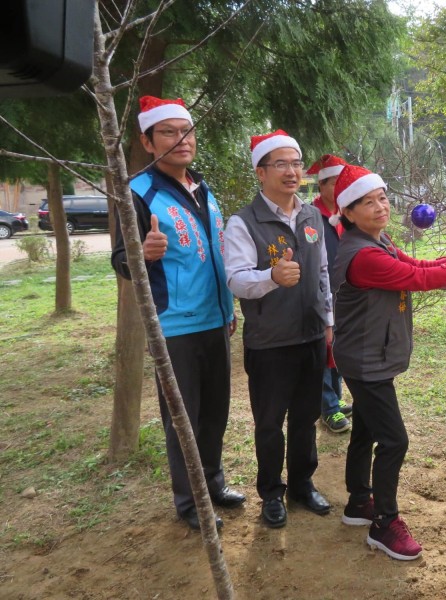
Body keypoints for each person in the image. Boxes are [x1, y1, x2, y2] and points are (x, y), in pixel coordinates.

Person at [330, 164, 446, 560]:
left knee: (366, 429)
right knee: (394, 439)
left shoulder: (377, 240)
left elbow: (417, 267)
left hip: (367, 354)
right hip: (365, 361)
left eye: (382, 198)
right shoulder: (362, 254)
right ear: (348, 213)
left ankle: (358, 503)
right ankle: (384, 522)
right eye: (367, 202)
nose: (379, 206)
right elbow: (413, 278)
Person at [111, 96, 244, 531]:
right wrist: (141, 254)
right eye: (168, 132)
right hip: (174, 326)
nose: (181, 140)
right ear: (147, 142)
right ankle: (191, 503)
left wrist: (230, 307)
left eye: (186, 131)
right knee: (183, 418)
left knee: (215, 412)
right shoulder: (137, 192)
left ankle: (213, 484)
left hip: (216, 319)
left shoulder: (202, 187)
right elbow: (119, 259)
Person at [223, 130, 333, 529]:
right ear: (261, 172)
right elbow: (235, 279)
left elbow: (321, 272)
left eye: (296, 163)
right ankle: (272, 491)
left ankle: (303, 484)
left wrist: (329, 322)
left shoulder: (311, 215)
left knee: (305, 419)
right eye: (281, 164)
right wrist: (272, 276)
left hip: (310, 336)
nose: (291, 172)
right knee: (270, 424)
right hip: (270, 343)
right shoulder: (244, 223)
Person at [306, 154, 353, 433]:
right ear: (321, 185)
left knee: (338, 349)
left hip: (345, 294)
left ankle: (334, 399)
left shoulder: (347, 213)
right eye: (334, 183)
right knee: (323, 351)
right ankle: (328, 407)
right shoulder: (311, 217)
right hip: (321, 294)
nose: (339, 189)